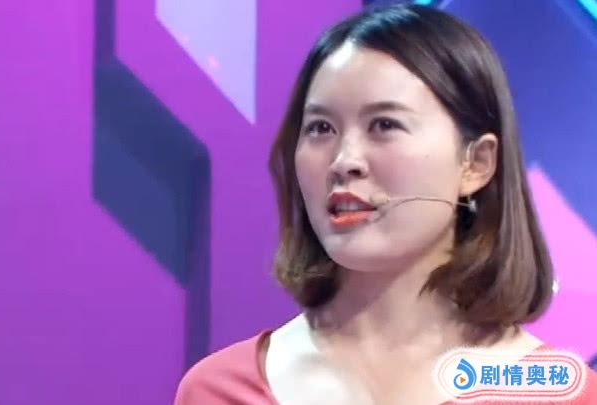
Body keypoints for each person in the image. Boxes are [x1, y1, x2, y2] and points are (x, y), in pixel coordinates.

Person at [174, 4, 597, 404]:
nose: (344, 161)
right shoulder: (219, 389)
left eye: (384, 125)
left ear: (476, 163)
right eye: (320, 128)